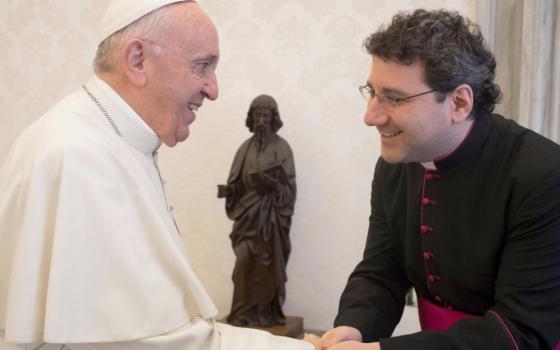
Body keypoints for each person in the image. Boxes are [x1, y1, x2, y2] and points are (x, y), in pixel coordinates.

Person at [0, 1, 313, 350]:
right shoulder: (83, 157)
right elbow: (146, 344)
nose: (213, 89)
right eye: (202, 66)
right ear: (137, 60)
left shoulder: (108, 138)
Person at [305, 8, 560, 350]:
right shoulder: (395, 163)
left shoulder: (543, 176)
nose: (370, 116)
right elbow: (381, 272)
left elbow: (520, 331)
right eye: (372, 92)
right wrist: (354, 327)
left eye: (394, 98)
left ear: (459, 102)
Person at [217, 95, 296, 327]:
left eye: (266, 115)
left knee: (269, 268)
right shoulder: (245, 149)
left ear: (273, 118)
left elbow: (289, 191)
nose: (261, 120)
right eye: (257, 115)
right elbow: (237, 184)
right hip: (247, 222)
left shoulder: (282, 148)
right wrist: (229, 191)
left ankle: (267, 314)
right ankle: (242, 314)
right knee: (243, 263)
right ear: (251, 118)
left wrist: (276, 186)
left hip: (272, 224)